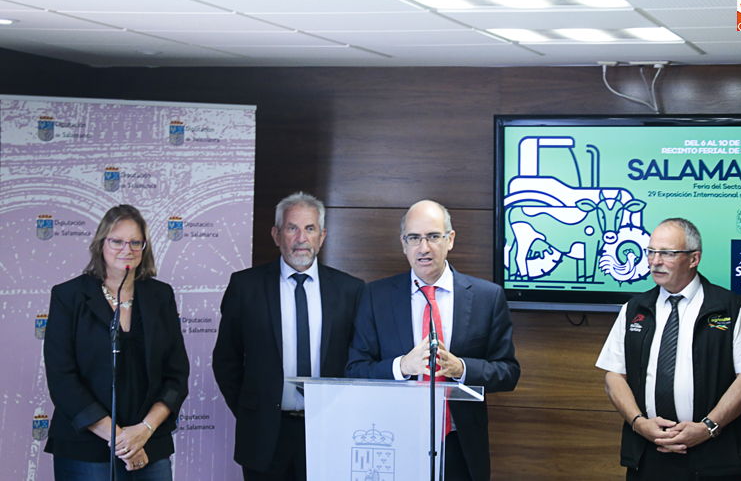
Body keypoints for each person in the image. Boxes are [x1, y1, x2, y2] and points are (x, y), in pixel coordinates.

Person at [346, 199, 520, 481]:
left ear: (450, 240)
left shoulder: (487, 298)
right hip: (393, 442)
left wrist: (462, 369)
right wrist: (402, 366)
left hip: (459, 446)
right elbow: (355, 370)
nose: (423, 248)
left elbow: (509, 372)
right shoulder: (375, 296)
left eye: (433, 237)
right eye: (414, 238)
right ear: (403, 244)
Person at [596, 218, 741, 481]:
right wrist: (639, 424)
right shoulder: (635, 309)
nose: (655, 261)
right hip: (648, 453)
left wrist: (707, 428)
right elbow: (613, 376)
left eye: (667, 253)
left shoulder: (729, 307)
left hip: (714, 456)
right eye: (651, 252)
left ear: (694, 258)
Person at [212, 192, 365, 481]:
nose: (301, 238)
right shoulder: (246, 287)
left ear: (322, 236)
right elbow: (226, 360)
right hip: (266, 434)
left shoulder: (351, 290)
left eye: (310, 229)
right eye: (292, 228)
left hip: (329, 432)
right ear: (276, 234)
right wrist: (252, 411)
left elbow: (359, 362)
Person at [43, 205, 190, 480]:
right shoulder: (69, 296)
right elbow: (62, 379)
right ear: (101, 244)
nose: (127, 249)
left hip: (149, 443)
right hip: (84, 447)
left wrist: (143, 431)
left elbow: (176, 375)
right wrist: (124, 441)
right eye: (117, 241)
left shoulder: (161, 296)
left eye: (136, 242)